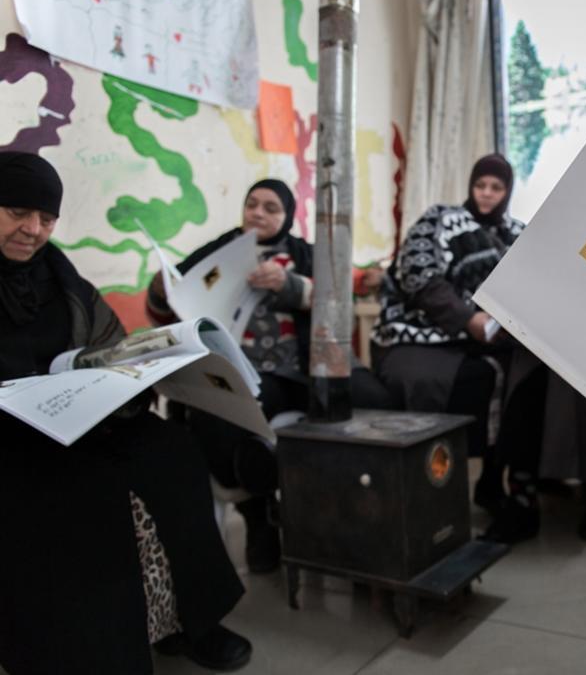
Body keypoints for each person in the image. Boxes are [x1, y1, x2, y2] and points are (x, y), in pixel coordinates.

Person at [0, 152, 251, 674]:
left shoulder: (59, 279)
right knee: (84, 497)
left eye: (47, 219)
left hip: (80, 417)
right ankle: (101, 654)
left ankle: (192, 621)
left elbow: (105, 340)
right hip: (13, 441)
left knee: (173, 452)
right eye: (17, 212)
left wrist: (133, 377)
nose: (33, 230)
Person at [147, 179, 395, 573]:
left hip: (304, 369)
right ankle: (256, 510)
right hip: (239, 372)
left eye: (270, 207)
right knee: (215, 417)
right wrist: (161, 291)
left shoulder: (305, 254)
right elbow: (170, 311)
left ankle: (366, 510)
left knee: (377, 404)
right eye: (252, 204)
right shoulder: (217, 253)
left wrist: (293, 287)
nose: (258, 213)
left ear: (287, 216)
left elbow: (340, 304)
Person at [372, 153, 548, 542]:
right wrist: (469, 320)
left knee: (530, 379)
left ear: (507, 191)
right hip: (432, 331)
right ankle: (432, 497)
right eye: (480, 185)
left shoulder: (519, 232)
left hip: (501, 339)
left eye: (496, 187)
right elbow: (419, 276)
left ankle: (514, 493)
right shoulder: (441, 219)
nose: (486, 194)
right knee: (444, 382)